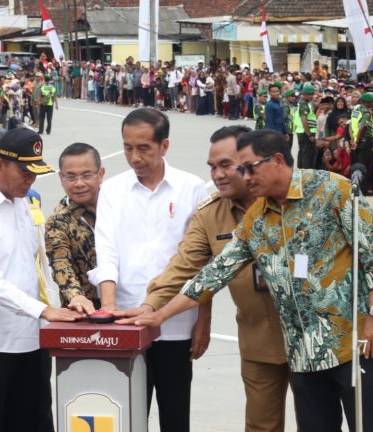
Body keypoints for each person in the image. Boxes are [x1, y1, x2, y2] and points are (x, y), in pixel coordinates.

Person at [119, 129, 373, 432]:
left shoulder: (333, 190)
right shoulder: (257, 219)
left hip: (351, 342)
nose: (244, 176)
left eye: (249, 167)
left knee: (370, 426)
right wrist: (158, 314)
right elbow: (214, 273)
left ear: (277, 160)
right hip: (301, 352)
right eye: (241, 169)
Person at [118, 125, 291, 431]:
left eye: (226, 165)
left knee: (320, 420)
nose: (217, 175)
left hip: (309, 333)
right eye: (212, 167)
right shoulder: (210, 215)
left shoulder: (294, 201)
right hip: (258, 339)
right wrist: (150, 306)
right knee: (262, 426)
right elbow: (183, 267)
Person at [0, 127, 82, 432]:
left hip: (31, 335)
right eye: (24, 172)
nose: (30, 180)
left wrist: (63, 302)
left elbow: (38, 265)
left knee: (34, 420)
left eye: (35, 174)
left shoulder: (22, 203)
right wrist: (45, 311)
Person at [91, 108, 208, 432]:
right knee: (126, 414)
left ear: (164, 146)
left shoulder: (192, 188)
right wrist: (110, 308)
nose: (134, 156)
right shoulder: (113, 190)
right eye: (128, 147)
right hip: (127, 321)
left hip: (176, 322)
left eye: (144, 148)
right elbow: (107, 250)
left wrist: (203, 320)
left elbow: (204, 262)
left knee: (175, 414)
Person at [45, 142, 105, 310]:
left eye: (87, 175)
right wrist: (76, 295)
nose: (79, 183)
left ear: (100, 174)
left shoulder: (119, 206)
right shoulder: (58, 221)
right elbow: (60, 263)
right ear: (61, 178)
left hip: (129, 304)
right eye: (70, 177)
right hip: (85, 311)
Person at [294, 83, 317, 168]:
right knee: (307, 155)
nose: (312, 96)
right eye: (310, 94)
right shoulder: (304, 104)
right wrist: (309, 134)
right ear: (304, 95)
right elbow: (304, 120)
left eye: (312, 94)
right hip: (305, 133)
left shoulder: (304, 103)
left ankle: (300, 172)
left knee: (302, 152)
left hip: (302, 132)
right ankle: (306, 175)